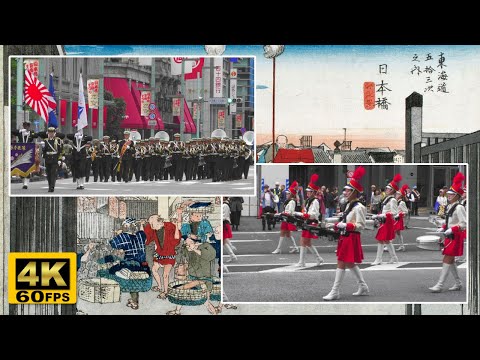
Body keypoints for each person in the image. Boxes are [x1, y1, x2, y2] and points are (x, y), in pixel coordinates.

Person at [324, 167, 368, 301]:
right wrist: (336, 223)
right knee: (349, 263)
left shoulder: (359, 207)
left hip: (351, 236)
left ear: (354, 192)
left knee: (342, 262)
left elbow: (361, 225)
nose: (345, 192)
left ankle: (335, 291)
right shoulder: (349, 205)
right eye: (345, 190)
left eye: (348, 190)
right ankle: (363, 286)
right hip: (345, 236)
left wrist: (346, 225)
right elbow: (345, 219)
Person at [430, 172, 466, 292]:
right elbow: (450, 221)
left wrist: (452, 229)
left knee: (447, 259)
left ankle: (439, 285)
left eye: (452, 194)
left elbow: (464, 223)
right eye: (449, 194)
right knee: (450, 260)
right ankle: (458, 283)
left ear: (457, 196)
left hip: (455, 236)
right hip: (449, 235)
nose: (449, 196)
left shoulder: (459, 207)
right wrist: (443, 227)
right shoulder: (450, 206)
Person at [109, 218, 148, 310]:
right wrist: (141, 224)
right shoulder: (140, 235)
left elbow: (112, 244)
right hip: (142, 263)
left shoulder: (123, 236)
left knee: (114, 272)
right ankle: (134, 299)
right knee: (134, 280)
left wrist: (118, 234)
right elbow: (142, 233)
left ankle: (134, 302)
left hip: (130, 263)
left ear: (126, 227)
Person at [293, 174, 324, 267]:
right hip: (308, 222)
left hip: (311, 222)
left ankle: (302, 262)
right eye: (307, 191)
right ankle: (318, 258)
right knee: (307, 242)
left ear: (313, 192)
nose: (307, 193)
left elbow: (313, 214)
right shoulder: (309, 201)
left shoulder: (315, 201)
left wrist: (300, 214)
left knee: (304, 241)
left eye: (309, 192)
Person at [371, 174, 401, 265]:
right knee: (386, 240)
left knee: (381, 239)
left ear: (392, 190)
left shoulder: (392, 200)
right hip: (384, 220)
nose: (386, 190)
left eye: (388, 188)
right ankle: (394, 257)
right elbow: (385, 210)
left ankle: (379, 259)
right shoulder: (387, 198)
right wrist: (379, 215)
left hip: (387, 221)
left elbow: (395, 213)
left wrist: (383, 215)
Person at [272, 181, 300, 254]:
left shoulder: (292, 202)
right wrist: (281, 213)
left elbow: (290, 212)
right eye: (287, 193)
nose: (287, 194)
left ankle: (278, 248)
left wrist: (281, 214)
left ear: (291, 194)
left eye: (288, 193)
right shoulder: (288, 201)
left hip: (288, 219)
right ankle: (295, 247)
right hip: (285, 218)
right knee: (287, 234)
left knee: (283, 233)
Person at [12, 120, 39, 189]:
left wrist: (30, 134)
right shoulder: (20, 132)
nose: (26, 126)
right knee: (21, 167)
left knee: (28, 167)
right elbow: (13, 132)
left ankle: (26, 183)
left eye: (27, 125)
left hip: (29, 152)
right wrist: (20, 131)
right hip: (21, 151)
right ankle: (23, 181)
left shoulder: (31, 132)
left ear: (29, 126)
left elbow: (36, 135)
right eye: (24, 125)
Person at [40, 127, 65, 193]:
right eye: (49, 132)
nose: (51, 134)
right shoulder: (45, 140)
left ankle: (52, 187)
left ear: (54, 133)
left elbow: (60, 150)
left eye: (52, 132)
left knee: (53, 173)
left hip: (55, 158)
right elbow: (44, 150)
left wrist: (60, 159)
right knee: (48, 173)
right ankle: (49, 185)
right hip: (48, 158)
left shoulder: (58, 140)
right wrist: (43, 154)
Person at [395, 184, 409, 252]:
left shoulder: (402, 203)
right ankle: (402, 246)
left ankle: (388, 245)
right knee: (398, 233)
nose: (396, 195)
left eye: (398, 194)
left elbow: (406, 212)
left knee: (393, 232)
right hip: (396, 219)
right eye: (396, 194)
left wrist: (399, 214)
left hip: (398, 219)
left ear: (400, 195)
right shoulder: (396, 202)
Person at [222, 198, 237, 262]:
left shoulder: (225, 205)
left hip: (224, 224)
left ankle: (232, 255)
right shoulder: (225, 205)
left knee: (223, 241)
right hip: (224, 224)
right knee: (224, 240)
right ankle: (232, 253)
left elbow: (224, 216)